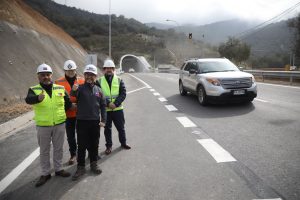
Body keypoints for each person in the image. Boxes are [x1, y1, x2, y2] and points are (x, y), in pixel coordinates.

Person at [25, 63, 72, 187]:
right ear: (38, 76)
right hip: (43, 126)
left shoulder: (60, 89)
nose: (45, 77)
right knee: (44, 150)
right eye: (42, 75)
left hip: (59, 124)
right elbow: (28, 99)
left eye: (47, 74)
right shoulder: (34, 89)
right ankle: (45, 173)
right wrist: (37, 99)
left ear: (51, 75)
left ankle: (58, 169)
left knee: (58, 148)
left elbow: (68, 103)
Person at [71, 64, 106, 181]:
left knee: (94, 144)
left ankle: (93, 163)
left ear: (95, 76)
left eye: (92, 75)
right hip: (81, 122)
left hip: (95, 123)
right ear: (84, 76)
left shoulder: (99, 90)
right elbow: (73, 95)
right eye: (88, 75)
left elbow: (103, 106)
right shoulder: (79, 88)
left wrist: (103, 120)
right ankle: (80, 167)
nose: (90, 77)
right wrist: (73, 90)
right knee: (81, 145)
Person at [55, 60, 84, 165]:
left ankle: (81, 154)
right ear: (64, 71)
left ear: (76, 69)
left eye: (72, 70)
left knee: (81, 135)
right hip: (68, 114)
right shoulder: (58, 82)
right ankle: (73, 155)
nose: (71, 72)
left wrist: (78, 106)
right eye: (68, 71)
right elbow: (57, 99)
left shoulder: (82, 81)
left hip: (80, 114)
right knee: (70, 137)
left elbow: (86, 97)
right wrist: (69, 106)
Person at [99, 59, 131, 155]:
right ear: (104, 69)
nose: (109, 70)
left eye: (111, 68)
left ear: (113, 69)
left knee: (121, 128)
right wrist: (109, 103)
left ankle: (123, 143)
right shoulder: (99, 81)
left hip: (118, 109)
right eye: (107, 68)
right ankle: (108, 146)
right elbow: (99, 94)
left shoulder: (119, 80)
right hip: (106, 110)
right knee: (107, 129)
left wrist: (116, 104)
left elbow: (123, 93)